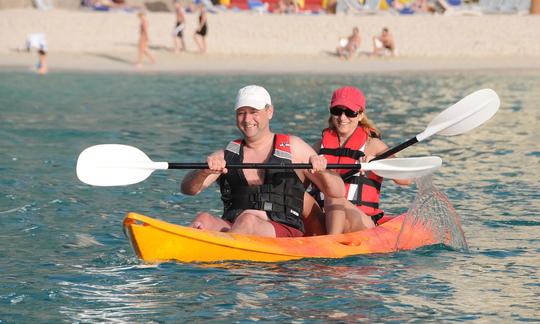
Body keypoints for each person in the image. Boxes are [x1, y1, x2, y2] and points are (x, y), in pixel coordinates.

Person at [181, 85, 346, 238]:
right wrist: (203, 172)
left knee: (248, 220)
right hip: (235, 225)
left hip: (284, 230)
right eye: (241, 113)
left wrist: (322, 169)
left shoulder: (294, 147)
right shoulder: (227, 155)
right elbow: (188, 190)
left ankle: (226, 259)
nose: (247, 119)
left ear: (269, 112)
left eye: (253, 111)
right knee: (203, 220)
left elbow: (337, 191)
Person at [308, 86, 412, 234]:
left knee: (334, 197)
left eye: (350, 112)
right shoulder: (318, 147)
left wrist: (377, 163)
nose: (342, 118)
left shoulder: (373, 145)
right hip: (323, 217)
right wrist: (310, 164)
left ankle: (330, 248)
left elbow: (406, 180)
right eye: (337, 111)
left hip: (360, 221)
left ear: (360, 115)